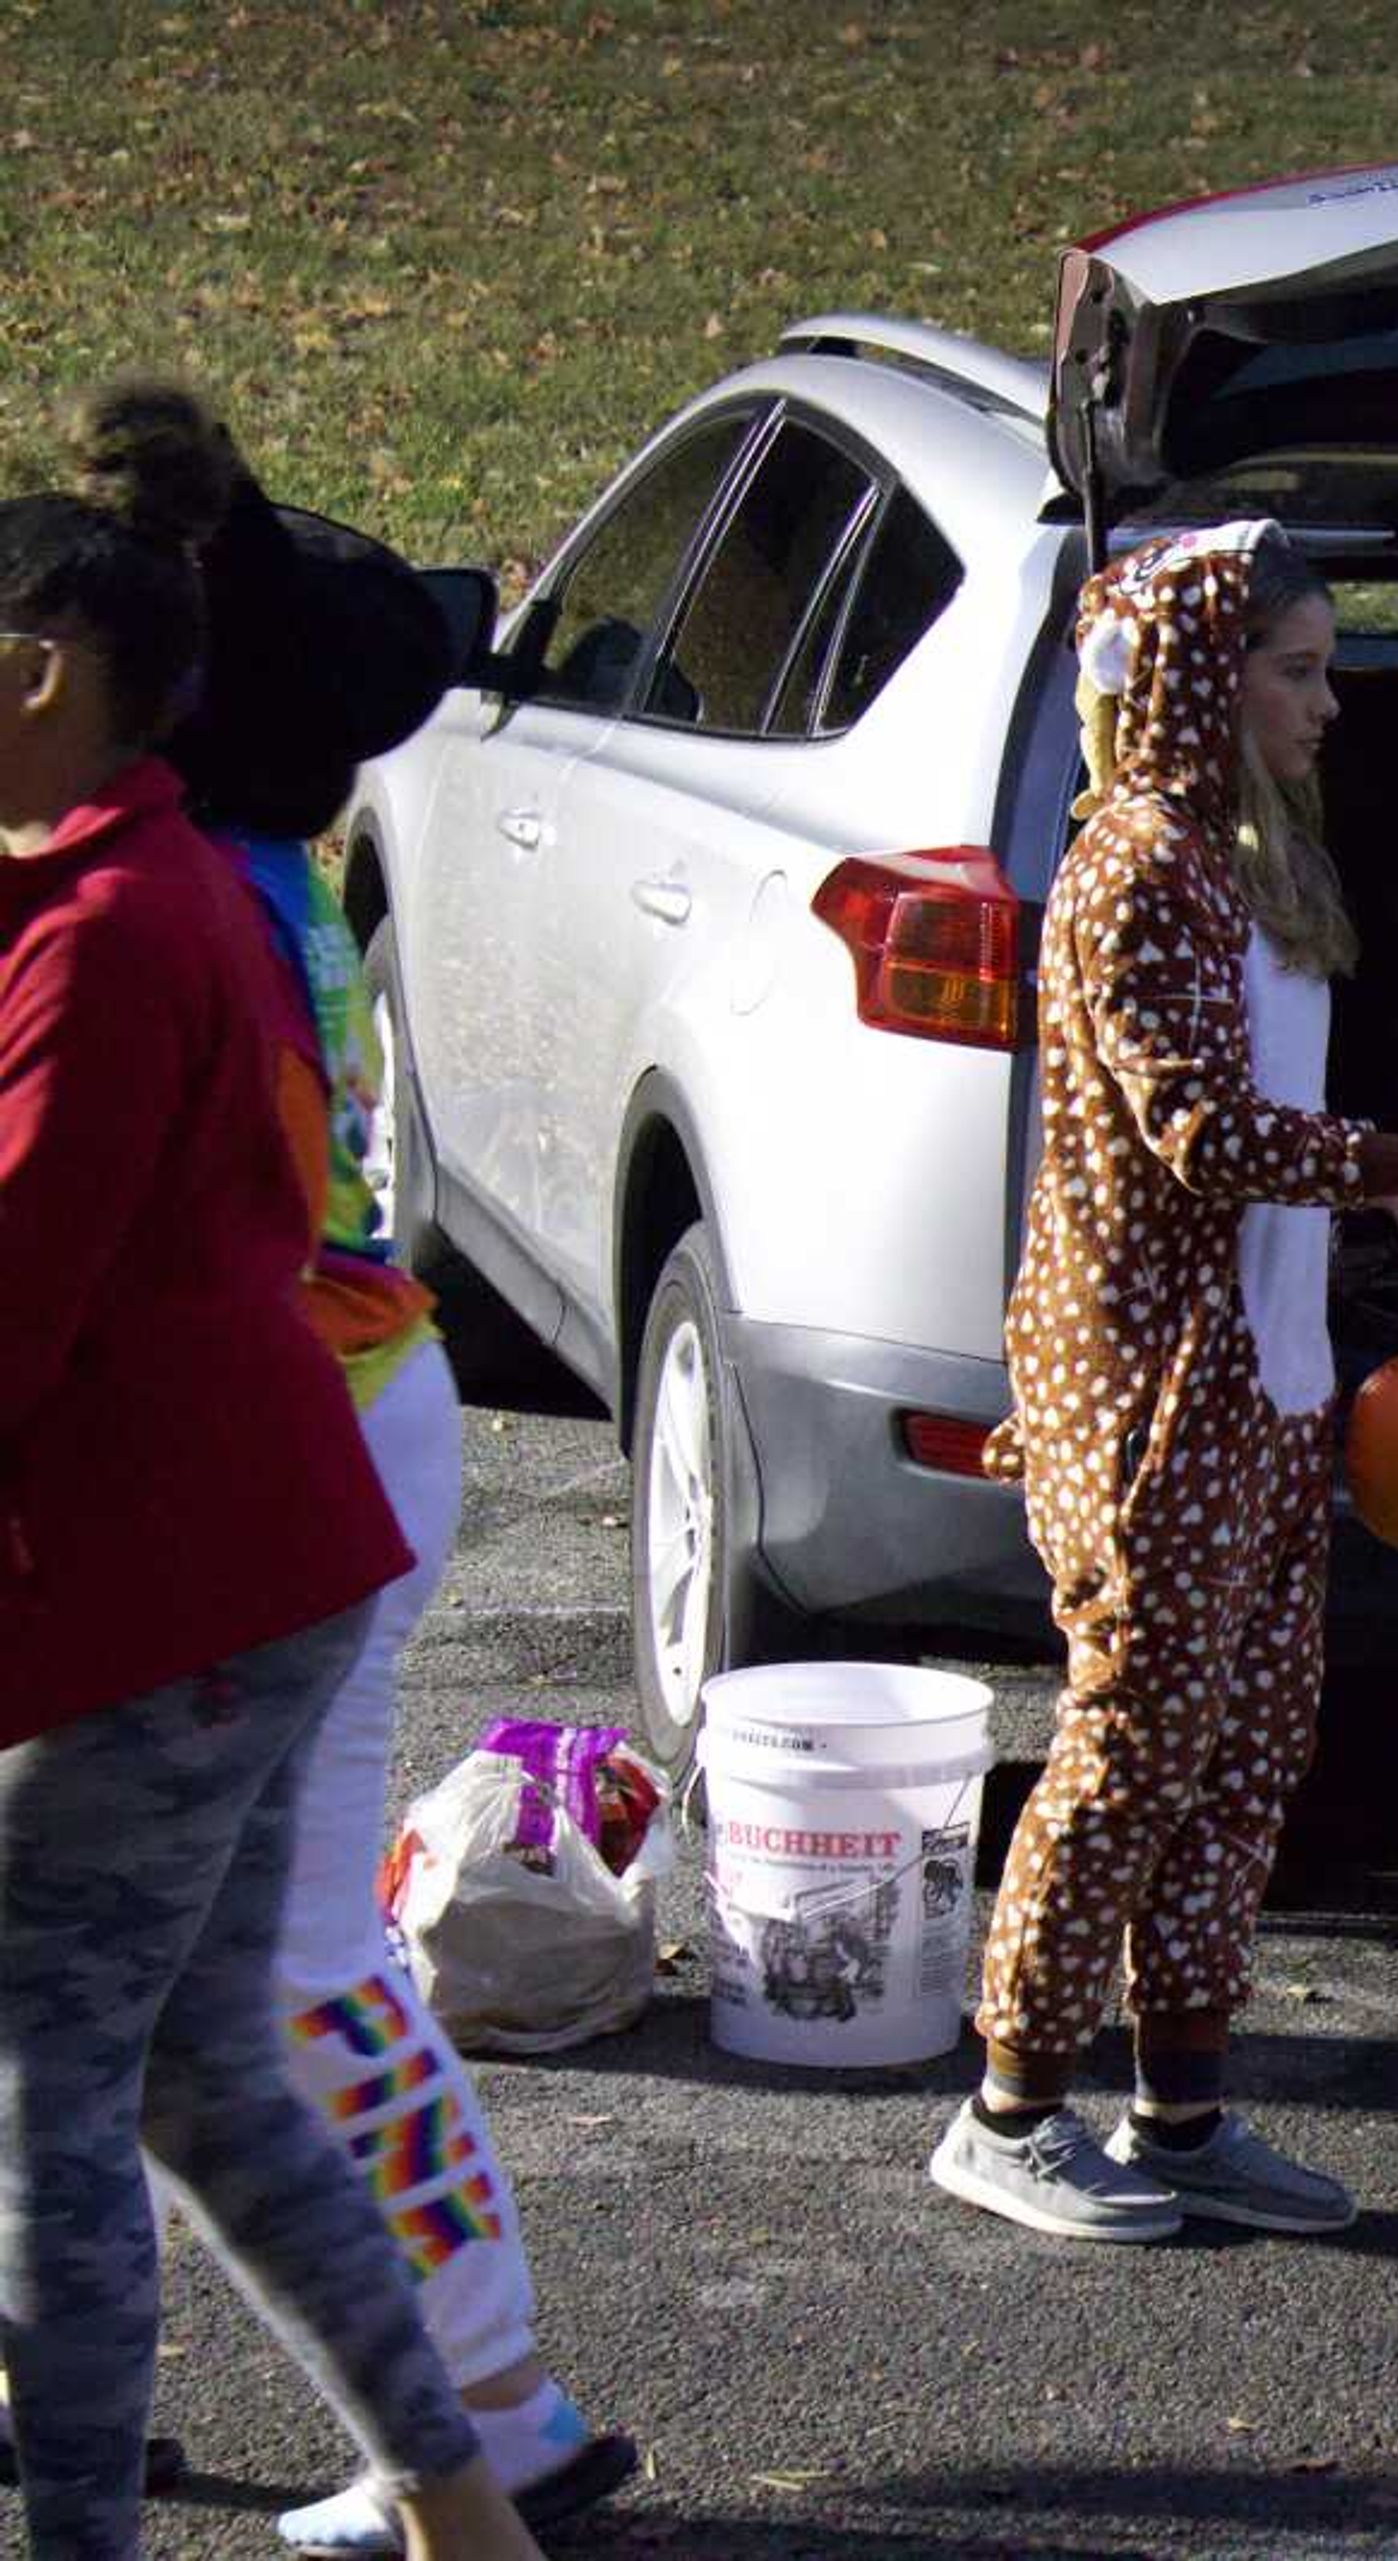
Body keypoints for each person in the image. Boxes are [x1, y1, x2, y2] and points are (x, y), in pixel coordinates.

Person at [57, 380, 641, 2553]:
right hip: (312, 1421)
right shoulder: (219, 855)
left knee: (275, 1956)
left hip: (277, 1444)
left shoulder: (158, 891)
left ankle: (493, 2408)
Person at [937, 519, 1398, 2242]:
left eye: (1323, 670)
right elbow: (1203, 1135)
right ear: (1192, 686)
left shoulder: (1248, 865)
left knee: (1246, 1748)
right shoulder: (1139, 866)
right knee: (1134, 1748)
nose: (1332, 707)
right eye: (1296, 672)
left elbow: (1265, 1134)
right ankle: (1007, 2108)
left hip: (1273, 1381)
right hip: (1153, 1399)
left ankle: (1185, 2112)